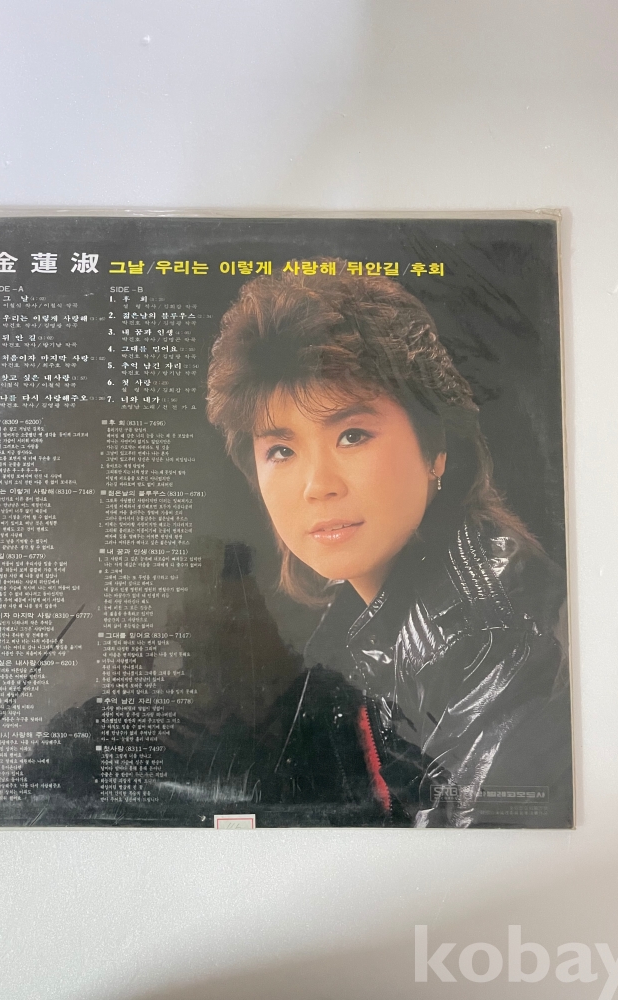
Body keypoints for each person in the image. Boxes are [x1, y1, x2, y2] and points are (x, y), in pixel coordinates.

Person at [206, 264, 572, 828]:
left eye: (352, 435)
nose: (317, 485)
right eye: (282, 450)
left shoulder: (492, 639)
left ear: (435, 448)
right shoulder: (352, 626)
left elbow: (477, 857)